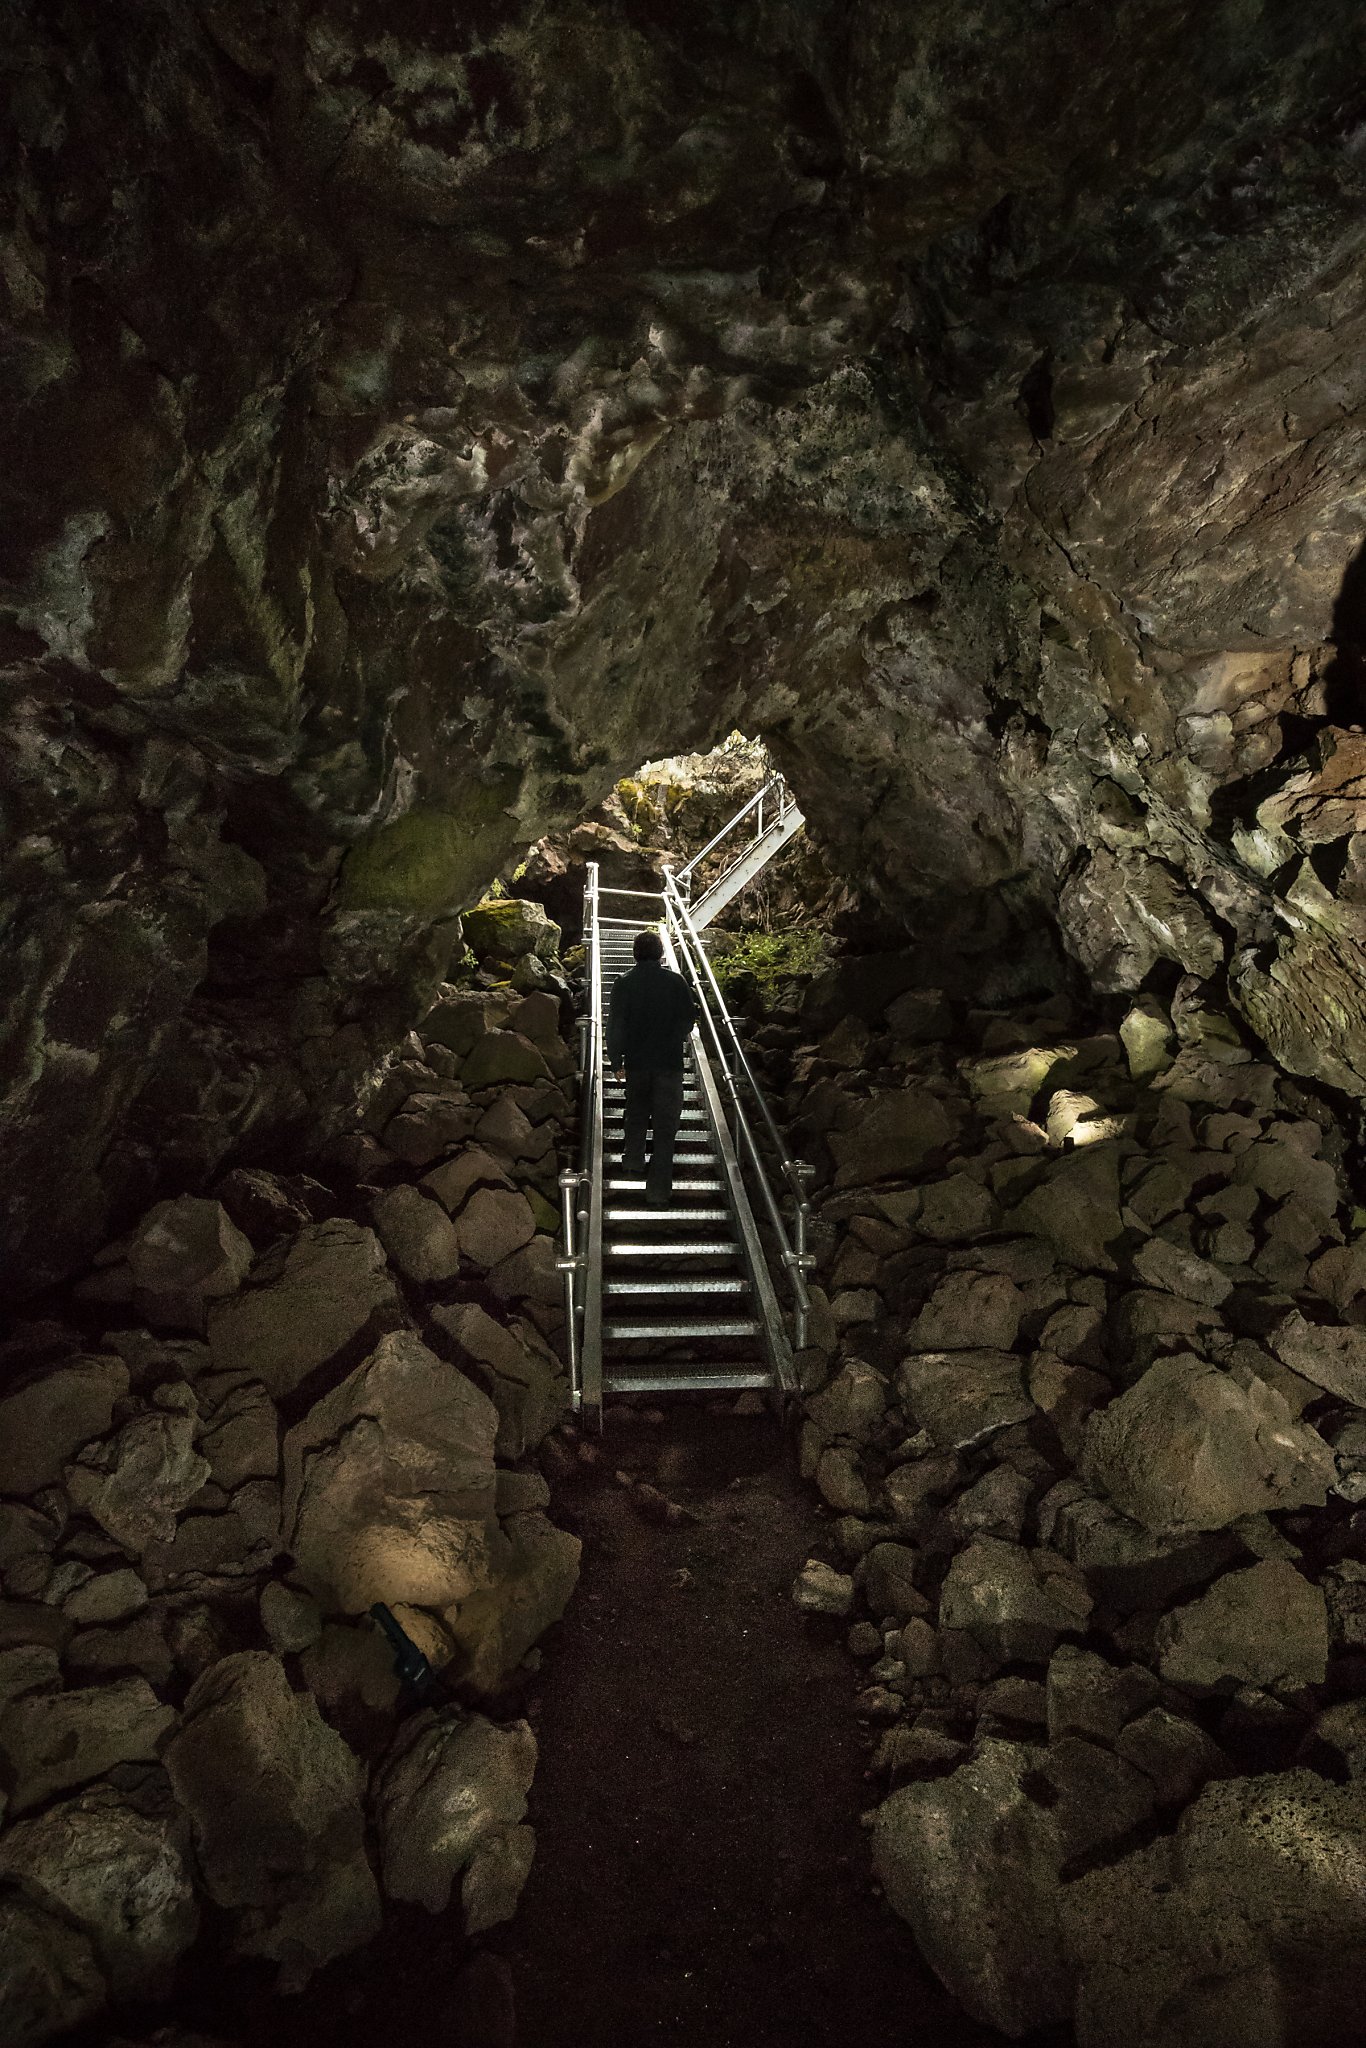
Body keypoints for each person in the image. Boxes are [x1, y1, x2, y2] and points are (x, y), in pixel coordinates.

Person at [606, 930, 701, 1206]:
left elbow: (615, 1026)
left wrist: (616, 1061)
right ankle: (658, 1190)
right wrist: (675, 1037)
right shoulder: (675, 981)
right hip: (668, 1065)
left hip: (636, 1065)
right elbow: (689, 1017)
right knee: (665, 1126)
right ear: (660, 953)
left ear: (635, 953)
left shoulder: (623, 983)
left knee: (635, 1113)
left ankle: (633, 1163)